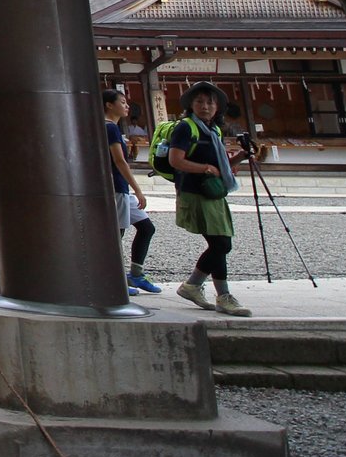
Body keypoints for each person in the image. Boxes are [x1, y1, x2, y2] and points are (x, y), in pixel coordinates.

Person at [166, 81, 255, 315]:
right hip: (195, 192)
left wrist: (240, 158)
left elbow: (219, 165)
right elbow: (176, 160)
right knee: (221, 243)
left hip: (213, 192)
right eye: (200, 102)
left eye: (210, 102)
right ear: (190, 105)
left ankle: (196, 287)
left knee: (220, 243)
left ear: (217, 108)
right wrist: (205, 168)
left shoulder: (213, 130)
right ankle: (216, 293)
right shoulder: (186, 128)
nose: (205, 106)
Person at [103, 90, 159, 294]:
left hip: (121, 188)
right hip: (117, 187)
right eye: (123, 102)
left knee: (146, 228)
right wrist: (138, 189)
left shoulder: (111, 128)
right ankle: (112, 280)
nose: (127, 106)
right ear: (109, 105)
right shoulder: (110, 128)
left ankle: (136, 274)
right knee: (116, 235)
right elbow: (119, 161)